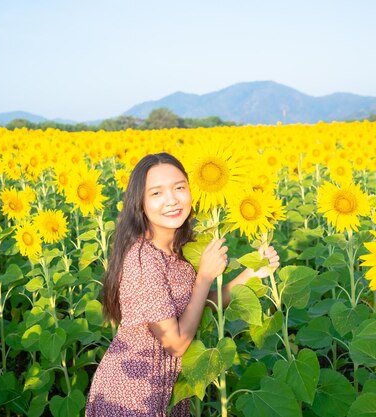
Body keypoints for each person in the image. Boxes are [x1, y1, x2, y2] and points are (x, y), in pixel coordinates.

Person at [85, 152, 280, 416]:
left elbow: (200, 304)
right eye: (156, 193)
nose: (172, 200)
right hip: (132, 395)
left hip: (163, 391)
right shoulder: (144, 260)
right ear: (139, 203)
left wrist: (253, 274)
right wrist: (204, 276)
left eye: (179, 188)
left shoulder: (178, 249)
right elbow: (175, 344)